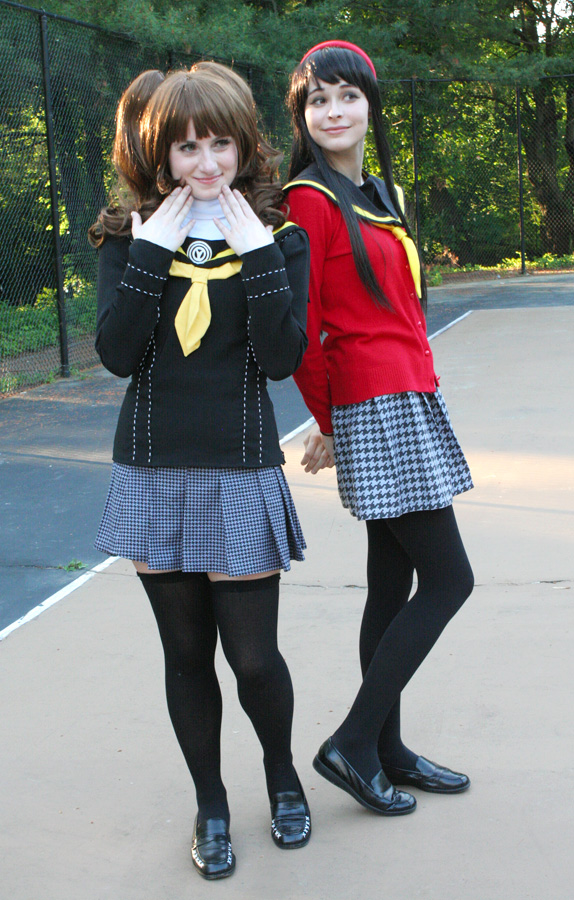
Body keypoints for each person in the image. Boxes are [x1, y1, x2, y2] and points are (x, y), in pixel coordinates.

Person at [89, 63, 312, 880]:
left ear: (244, 144)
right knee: (186, 657)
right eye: (187, 148)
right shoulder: (127, 236)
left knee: (253, 659)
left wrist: (255, 254)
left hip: (239, 466)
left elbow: (282, 358)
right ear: (161, 155)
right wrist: (152, 251)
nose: (206, 163)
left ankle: (282, 777)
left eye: (219, 143)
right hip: (153, 467)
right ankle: (210, 804)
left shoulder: (281, 238)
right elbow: (117, 353)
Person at [283, 41, 474, 816]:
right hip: (374, 402)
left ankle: (386, 752)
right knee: (451, 579)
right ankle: (353, 742)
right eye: (318, 100)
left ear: (370, 104)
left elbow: (399, 308)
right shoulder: (309, 199)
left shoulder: (375, 192)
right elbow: (304, 331)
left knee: (392, 585)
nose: (334, 111)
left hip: (407, 393)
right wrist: (329, 420)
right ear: (302, 115)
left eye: (347, 96)